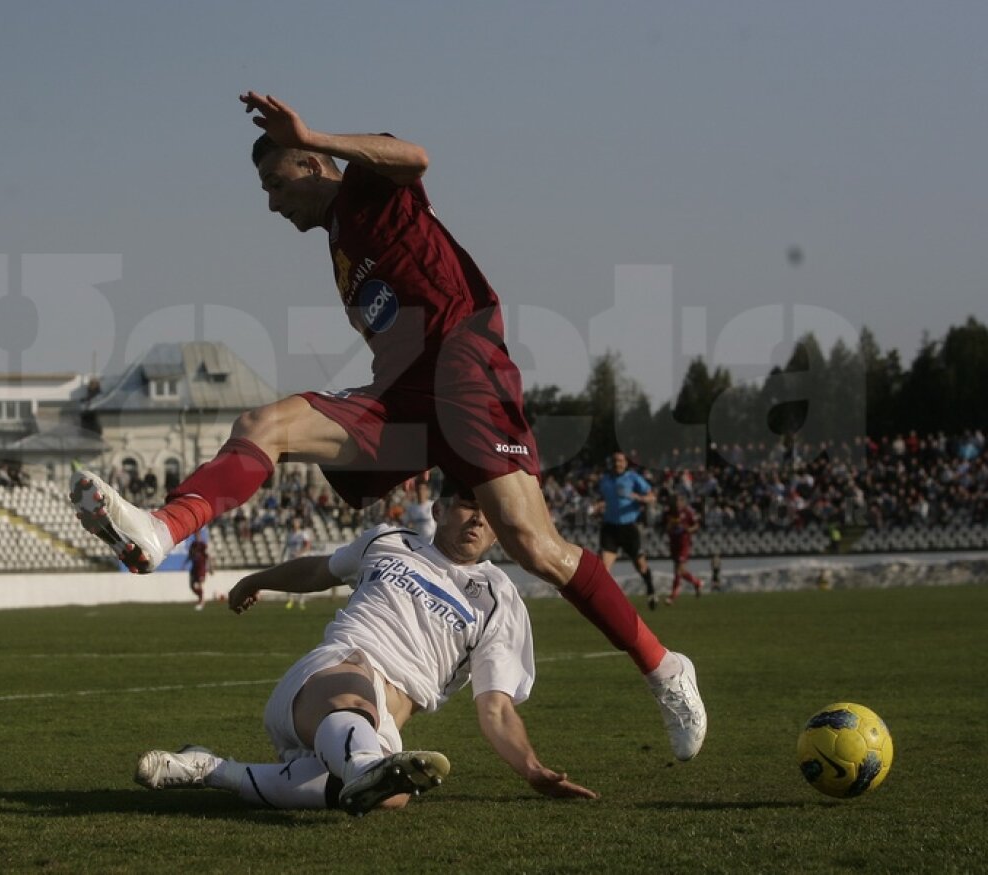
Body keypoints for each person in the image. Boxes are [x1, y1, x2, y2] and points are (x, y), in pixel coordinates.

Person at [72, 92, 705, 761]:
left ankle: (666, 669)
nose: (271, 203)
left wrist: (314, 131)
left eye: (276, 183)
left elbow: (415, 157)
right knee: (266, 423)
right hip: (402, 397)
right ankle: (164, 524)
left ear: (312, 165)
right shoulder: (341, 246)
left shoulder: (367, 189)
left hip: (464, 362)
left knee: (532, 546)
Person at [134, 483, 598, 814]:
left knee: (392, 796)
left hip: (379, 730)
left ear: (500, 530)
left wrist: (533, 770)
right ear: (437, 509)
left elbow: (495, 708)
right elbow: (321, 570)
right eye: (466, 505)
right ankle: (363, 766)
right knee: (355, 700)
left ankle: (212, 768)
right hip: (333, 675)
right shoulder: (389, 540)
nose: (477, 518)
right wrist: (259, 580)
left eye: (489, 514)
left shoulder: (500, 600)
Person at [595, 452, 659, 610]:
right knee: (604, 566)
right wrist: (599, 506)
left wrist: (638, 498)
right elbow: (605, 499)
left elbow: (652, 497)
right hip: (610, 527)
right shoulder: (605, 480)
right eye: (616, 461)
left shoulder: (633, 478)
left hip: (629, 527)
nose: (618, 464)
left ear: (625, 463)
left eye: (621, 461)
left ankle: (651, 591)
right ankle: (608, 602)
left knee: (640, 565)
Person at [663, 494, 703, 604]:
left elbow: (696, 525)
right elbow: (666, 528)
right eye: (675, 501)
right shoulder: (669, 513)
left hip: (684, 543)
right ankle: (697, 582)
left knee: (679, 569)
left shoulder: (688, 512)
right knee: (678, 570)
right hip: (673, 543)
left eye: (678, 501)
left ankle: (673, 595)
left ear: (682, 502)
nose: (676, 504)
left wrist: (689, 530)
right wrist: (671, 524)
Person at [281, 517, 313, 609]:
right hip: (291, 559)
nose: (294, 524)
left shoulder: (303, 534)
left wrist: (300, 553)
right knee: (289, 580)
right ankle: (290, 600)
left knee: (302, 581)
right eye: (293, 522)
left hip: (301, 559)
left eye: (296, 522)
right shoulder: (290, 534)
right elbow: (287, 547)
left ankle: (301, 601)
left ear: (299, 524)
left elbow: (308, 545)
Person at [187, 534, 209, 611]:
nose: (197, 536)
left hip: (201, 568)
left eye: (199, 535)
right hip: (194, 568)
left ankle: (201, 602)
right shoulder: (193, 545)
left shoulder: (203, 545)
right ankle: (200, 597)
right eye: (196, 535)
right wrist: (184, 564)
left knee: (199, 584)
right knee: (192, 586)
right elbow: (189, 555)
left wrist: (211, 567)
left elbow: (208, 556)